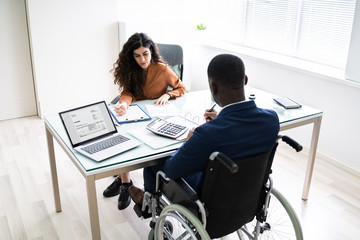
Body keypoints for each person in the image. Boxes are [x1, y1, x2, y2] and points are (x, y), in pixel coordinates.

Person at [128, 54, 280, 204]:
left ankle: (148, 205)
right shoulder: (271, 119)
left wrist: (188, 141)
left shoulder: (207, 133)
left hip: (212, 199)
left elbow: (171, 170)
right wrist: (222, 117)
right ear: (245, 80)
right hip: (248, 194)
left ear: (213, 87)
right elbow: (241, 135)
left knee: (154, 164)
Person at [103, 32, 186, 210]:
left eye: (145, 54)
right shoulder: (131, 69)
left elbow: (181, 87)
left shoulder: (162, 69)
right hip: (136, 114)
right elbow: (128, 92)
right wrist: (124, 104)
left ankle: (121, 181)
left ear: (151, 52)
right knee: (123, 136)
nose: (142, 59)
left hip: (157, 116)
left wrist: (167, 94)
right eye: (137, 55)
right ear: (132, 56)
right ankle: (125, 183)